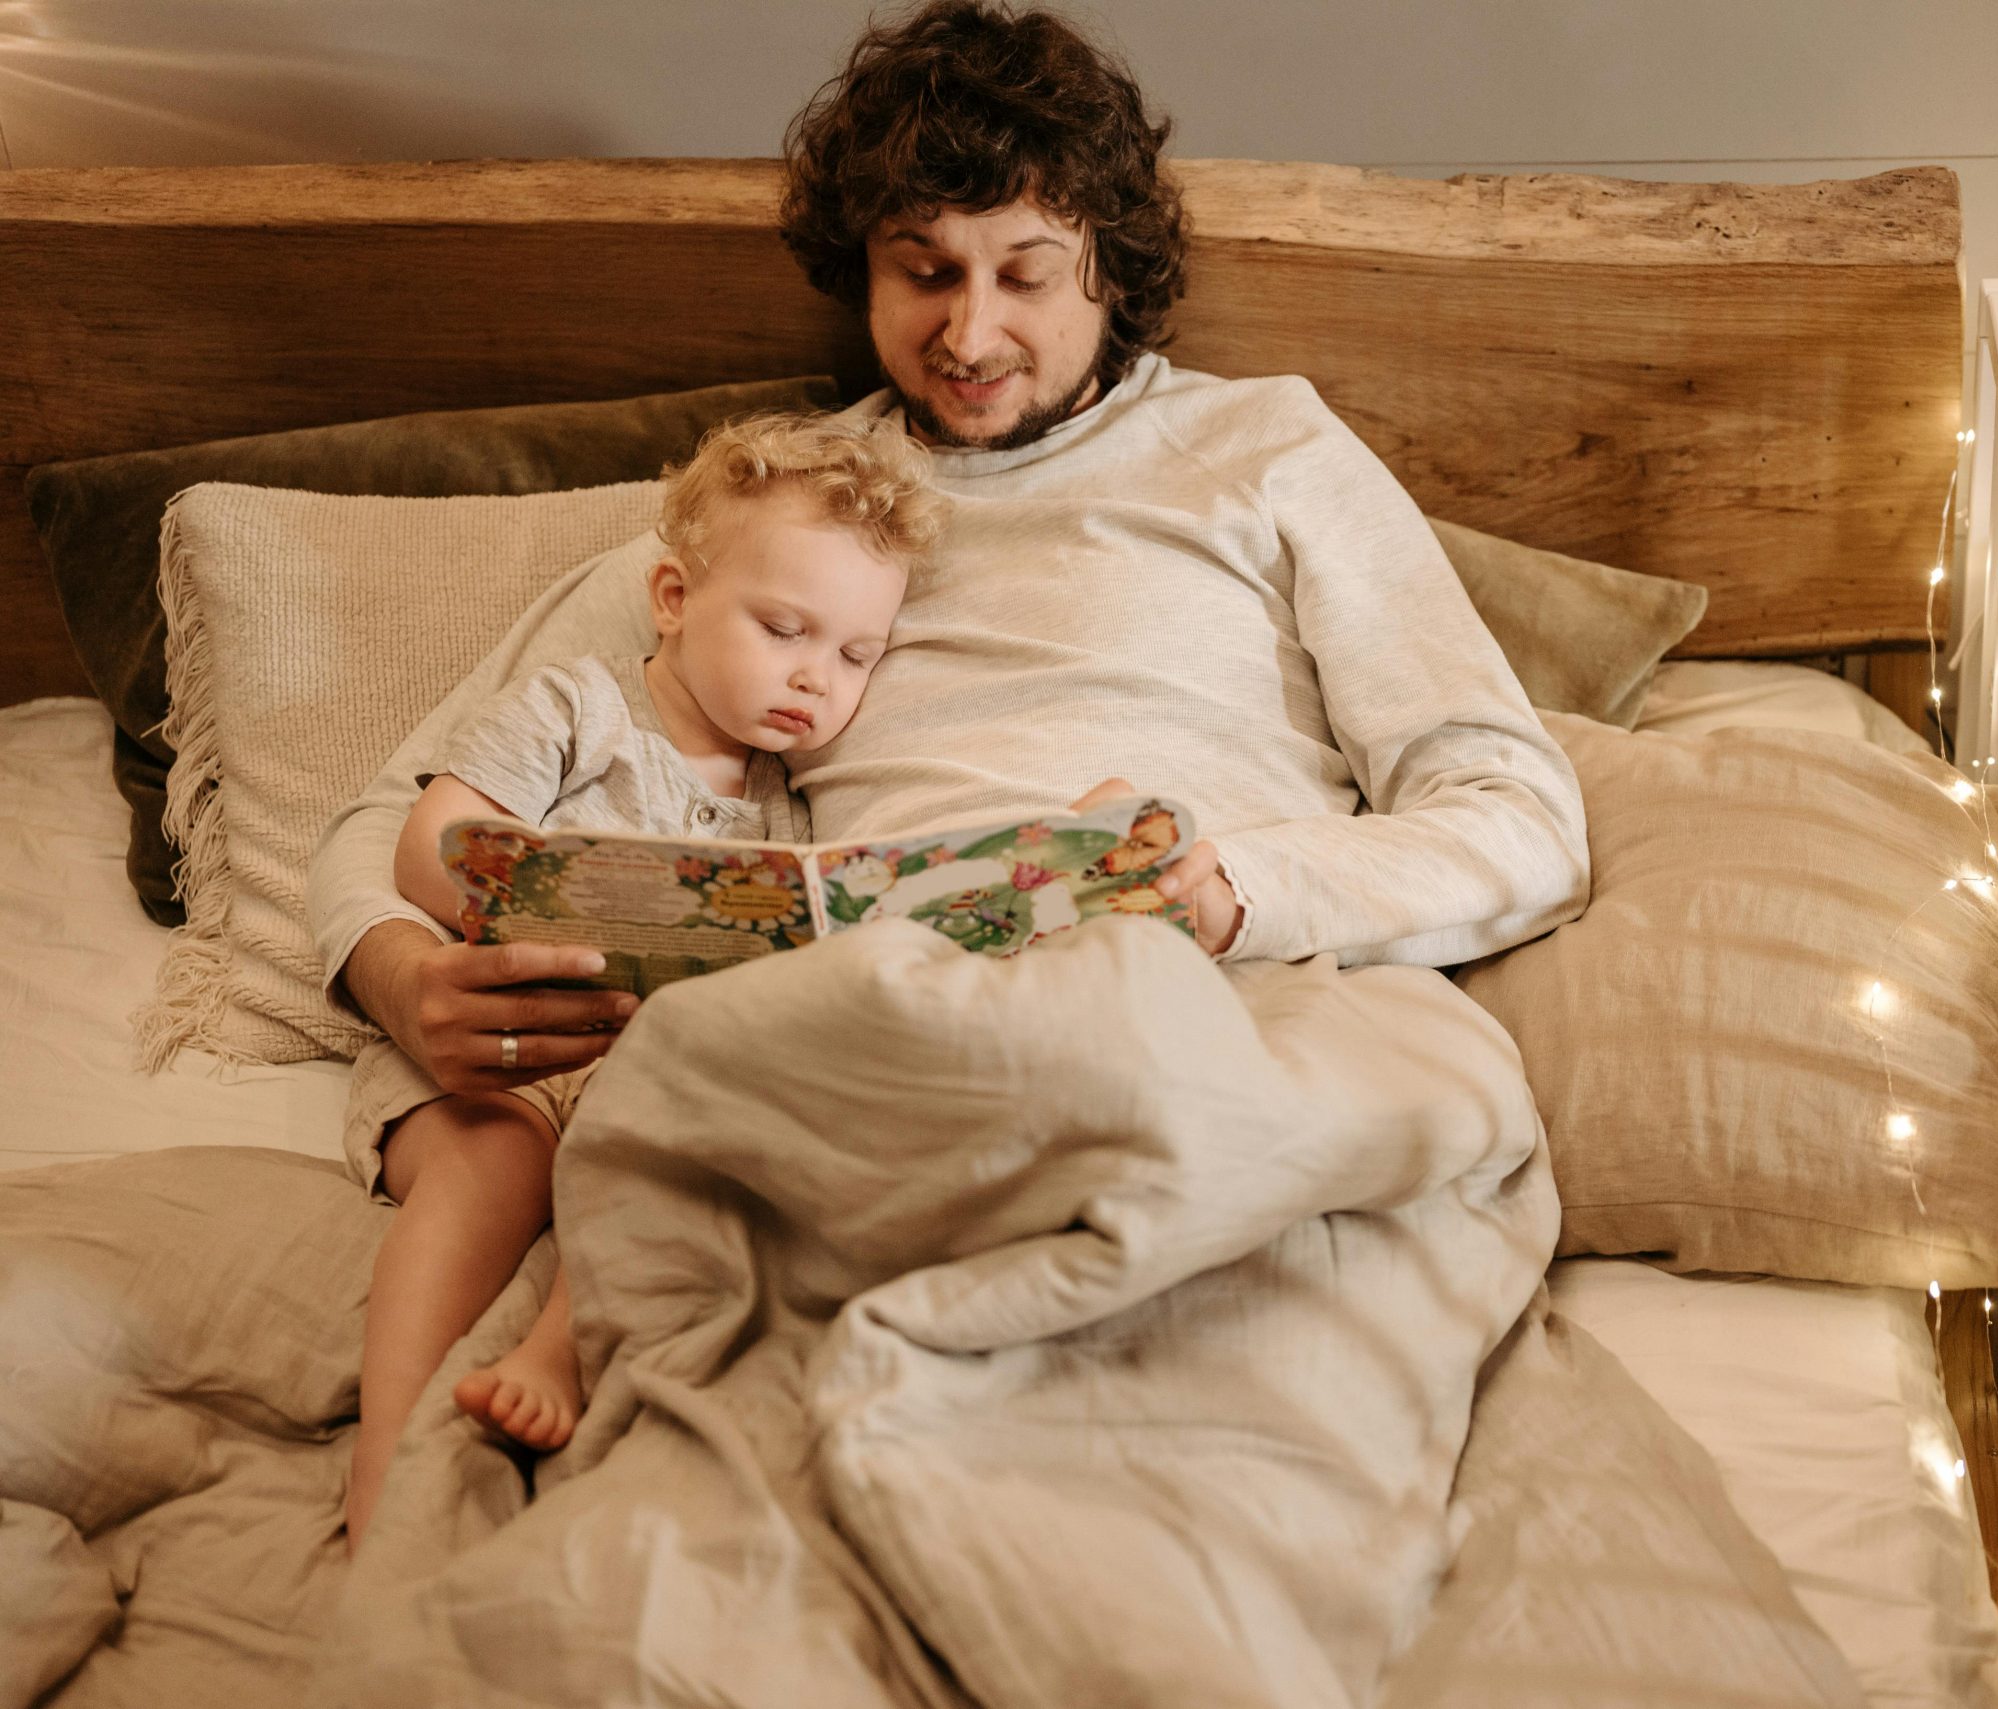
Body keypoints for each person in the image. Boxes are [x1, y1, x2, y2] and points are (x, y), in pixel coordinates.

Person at [307, 0, 1590, 1539]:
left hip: (1224, 994)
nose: (969, 333)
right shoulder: (785, 513)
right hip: (872, 1025)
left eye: (1024, 275)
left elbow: (1517, 813)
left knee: (1229, 1436)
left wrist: (1238, 890)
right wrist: (395, 975)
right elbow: (400, 809)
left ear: (1109, 266)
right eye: (923, 272)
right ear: (862, 269)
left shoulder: (1268, 452)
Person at [337, 410, 946, 1550]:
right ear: (673, 598)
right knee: (490, 1167)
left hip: (641, 1072)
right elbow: (430, 847)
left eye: (854, 654)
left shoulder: (783, 803)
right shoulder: (579, 707)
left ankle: (554, 1348)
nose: (816, 678)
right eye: (784, 628)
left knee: (687, 1158)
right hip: (504, 1050)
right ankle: (381, 1465)